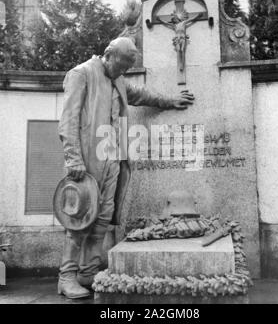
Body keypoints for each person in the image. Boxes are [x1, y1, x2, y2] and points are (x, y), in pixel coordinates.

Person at [57, 37, 195, 299]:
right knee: (79, 220)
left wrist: (170, 100)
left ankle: (88, 272)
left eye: (127, 67)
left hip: (113, 157)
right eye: (121, 64)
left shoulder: (117, 78)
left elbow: (143, 95)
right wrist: (73, 158)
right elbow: (68, 121)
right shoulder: (81, 74)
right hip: (86, 160)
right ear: (109, 55)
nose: (123, 71)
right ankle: (66, 277)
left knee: (102, 219)